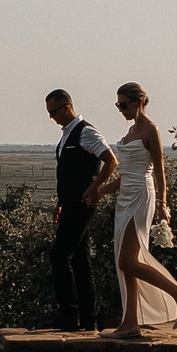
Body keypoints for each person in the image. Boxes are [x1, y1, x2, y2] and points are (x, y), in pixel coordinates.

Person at [103, 81, 177, 337]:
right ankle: (130, 323)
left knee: (127, 260)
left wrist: (163, 205)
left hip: (142, 195)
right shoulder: (132, 130)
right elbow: (125, 174)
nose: (120, 109)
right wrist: (99, 191)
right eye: (118, 105)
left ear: (139, 102)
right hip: (125, 196)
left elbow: (159, 169)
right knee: (125, 262)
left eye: (124, 104)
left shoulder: (150, 129)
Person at [45, 88, 119, 331]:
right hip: (69, 203)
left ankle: (70, 315)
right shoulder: (67, 134)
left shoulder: (86, 132)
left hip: (82, 204)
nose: (51, 117)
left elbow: (111, 160)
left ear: (66, 107)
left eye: (53, 111)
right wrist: (60, 203)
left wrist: (95, 189)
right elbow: (67, 173)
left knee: (59, 256)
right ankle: (88, 319)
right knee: (79, 260)